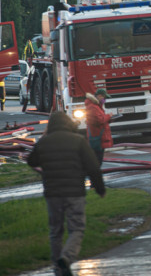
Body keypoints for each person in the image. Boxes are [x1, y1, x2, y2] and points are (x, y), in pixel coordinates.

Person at [27, 111, 105, 276]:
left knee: (55, 231)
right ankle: (67, 258)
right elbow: (93, 167)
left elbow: (31, 161)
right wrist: (99, 189)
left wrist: (44, 138)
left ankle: (57, 267)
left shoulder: (44, 142)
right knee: (76, 228)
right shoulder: (78, 141)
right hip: (75, 192)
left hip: (52, 193)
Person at [84, 89, 113, 166]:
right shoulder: (93, 107)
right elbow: (99, 120)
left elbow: (100, 119)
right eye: (104, 98)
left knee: (98, 160)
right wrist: (108, 116)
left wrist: (109, 119)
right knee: (97, 161)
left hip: (99, 137)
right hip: (97, 137)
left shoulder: (97, 106)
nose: (105, 100)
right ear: (100, 96)